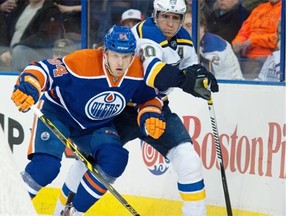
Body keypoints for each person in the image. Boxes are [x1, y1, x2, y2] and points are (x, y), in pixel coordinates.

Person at [55, 0, 219, 215]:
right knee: (89, 162)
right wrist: (186, 80)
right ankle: (61, 211)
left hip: (154, 106)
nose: (169, 23)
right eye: (165, 16)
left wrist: (201, 77)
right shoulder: (145, 34)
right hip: (119, 107)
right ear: (155, 14)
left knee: (188, 159)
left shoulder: (184, 39)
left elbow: (189, 69)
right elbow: (154, 75)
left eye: (175, 18)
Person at [11, 25, 167, 215]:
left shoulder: (137, 71)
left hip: (96, 126)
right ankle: (8, 205)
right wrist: (30, 85)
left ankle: (74, 212)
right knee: (46, 168)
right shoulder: (82, 62)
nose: (120, 62)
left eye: (126, 57)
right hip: (58, 113)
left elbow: (148, 98)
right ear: (105, 51)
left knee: (115, 159)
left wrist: (151, 114)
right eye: (115, 55)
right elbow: (43, 69)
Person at [0, 0, 63, 72]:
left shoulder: (51, 11)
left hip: (35, 53)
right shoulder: (19, 8)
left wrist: (13, 51)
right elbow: (5, 30)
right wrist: (5, 51)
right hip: (10, 52)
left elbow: (44, 36)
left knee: (20, 51)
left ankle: (21, 80)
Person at [232, 0, 281, 79]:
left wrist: (252, 41)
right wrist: (238, 42)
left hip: (269, 58)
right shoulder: (259, 9)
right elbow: (244, 31)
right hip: (247, 57)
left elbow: (279, 38)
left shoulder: (285, 9)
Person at [198, 12, 244, 80]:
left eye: (189, 26)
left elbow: (209, 78)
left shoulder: (215, 46)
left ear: (202, 27)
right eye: (182, 26)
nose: (185, 30)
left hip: (232, 86)